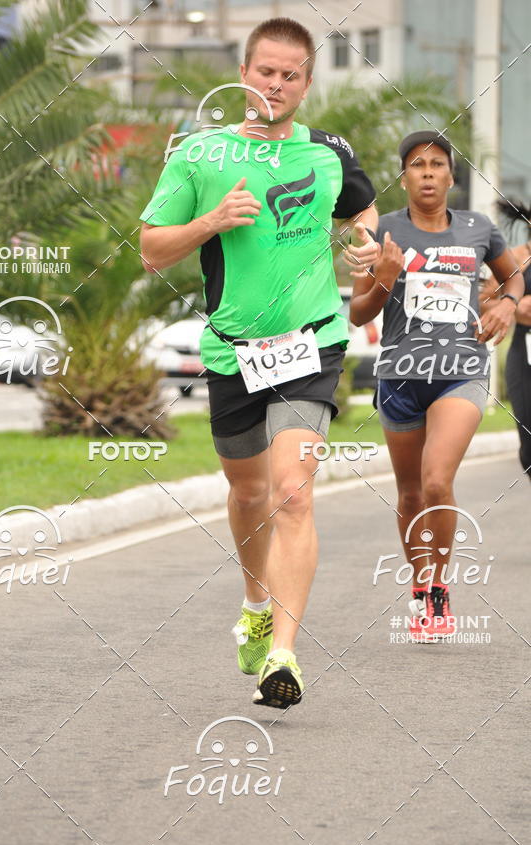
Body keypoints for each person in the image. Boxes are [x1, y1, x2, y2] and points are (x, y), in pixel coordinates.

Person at [140, 18, 379, 706]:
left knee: (293, 492)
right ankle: (254, 601)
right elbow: (153, 250)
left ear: (307, 82)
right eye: (265, 71)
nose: (276, 84)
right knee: (248, 495)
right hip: (232, 352)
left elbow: (365, 223)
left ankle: (284, 653)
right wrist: (211, 220)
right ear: (243, 73)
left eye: (291, 75)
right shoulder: (198, 153)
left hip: (311, 344)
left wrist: (368, 254)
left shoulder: (330, 151)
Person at [350, 131, 523, 642]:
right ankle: (420, 583)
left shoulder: (479, 229)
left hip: (462, 370)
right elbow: (358, 311)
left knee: (435, 483)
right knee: (407, 494)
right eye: (417, 164)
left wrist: (507, 304)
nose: (427, 172)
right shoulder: (384, 230)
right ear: (403, 177)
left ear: (451, 176)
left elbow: (513, 278)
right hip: (400, 375)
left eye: (437, 164)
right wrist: (383, 275)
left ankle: (438, 587)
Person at [480, 200, 531, 482]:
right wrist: (513, 304)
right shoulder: (515, 258)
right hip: (524, 351)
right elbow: (483, 301)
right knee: (528, 445)